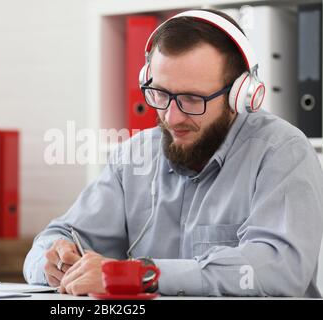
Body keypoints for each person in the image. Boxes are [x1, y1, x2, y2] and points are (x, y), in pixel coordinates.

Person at [23, 9, 323, 297]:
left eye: (192, 99)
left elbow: (280, 270)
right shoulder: (134, 157)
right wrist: (54, 262)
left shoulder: (283, 153)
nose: (172, 117)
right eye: (161, 94)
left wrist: (141, 275)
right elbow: (55, 239)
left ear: (240, 96)